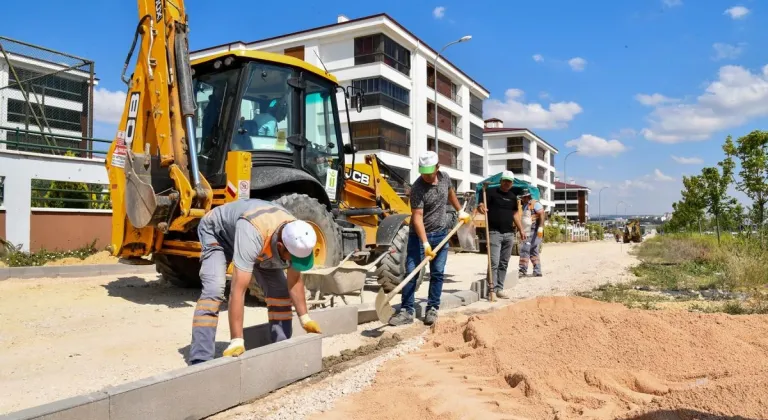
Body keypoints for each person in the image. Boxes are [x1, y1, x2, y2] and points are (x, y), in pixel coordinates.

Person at [188, 199, 322, 365]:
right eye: (292, 258)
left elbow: (294, 280)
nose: (294, 262)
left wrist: (305, 318)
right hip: (217, 233)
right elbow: (238, 289)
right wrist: (237, 340)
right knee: (214, 290)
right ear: (280, 246)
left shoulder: (297, 234)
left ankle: (281, 347)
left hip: (260, 241)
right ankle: (200, 359)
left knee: (280, 292)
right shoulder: (253, 232)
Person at [388, 151, 471, 326]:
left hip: (441, 233)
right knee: (412, 272)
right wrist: (425, 242)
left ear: (437, 168)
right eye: (423, 172)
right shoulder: (417, 188)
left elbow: (450, 193)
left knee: (438, 273)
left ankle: (432, 308)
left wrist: (459, 210)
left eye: (429, 172)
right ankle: (406, 311)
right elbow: (417, 217)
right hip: (419, 237)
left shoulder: (445, 178)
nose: (425, 176)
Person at [477, 171, 525, 298]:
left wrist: (521, 229)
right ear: (501, 181)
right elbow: (481, 205)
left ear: (512, 183)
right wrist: (481, 206)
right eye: (505, 181)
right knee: (494, 262)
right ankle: (491, 289)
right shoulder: (490, 193)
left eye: (509, 181)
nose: (506, 183)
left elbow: (515, 214)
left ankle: (499, 288)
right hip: (494, 232)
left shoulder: (513, 196)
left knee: (504, 262)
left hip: (509, 234)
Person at [518, 189, 546, 277]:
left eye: (523, 197)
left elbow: (542, 215)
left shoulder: (535, 204)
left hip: (534, 230)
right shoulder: (525, 206)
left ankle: (523, 269)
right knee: (534, 250)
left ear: (527, 196)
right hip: (528, 229)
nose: (522, 199)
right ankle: (537, 271)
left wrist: (541, 227)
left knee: (525, 248)